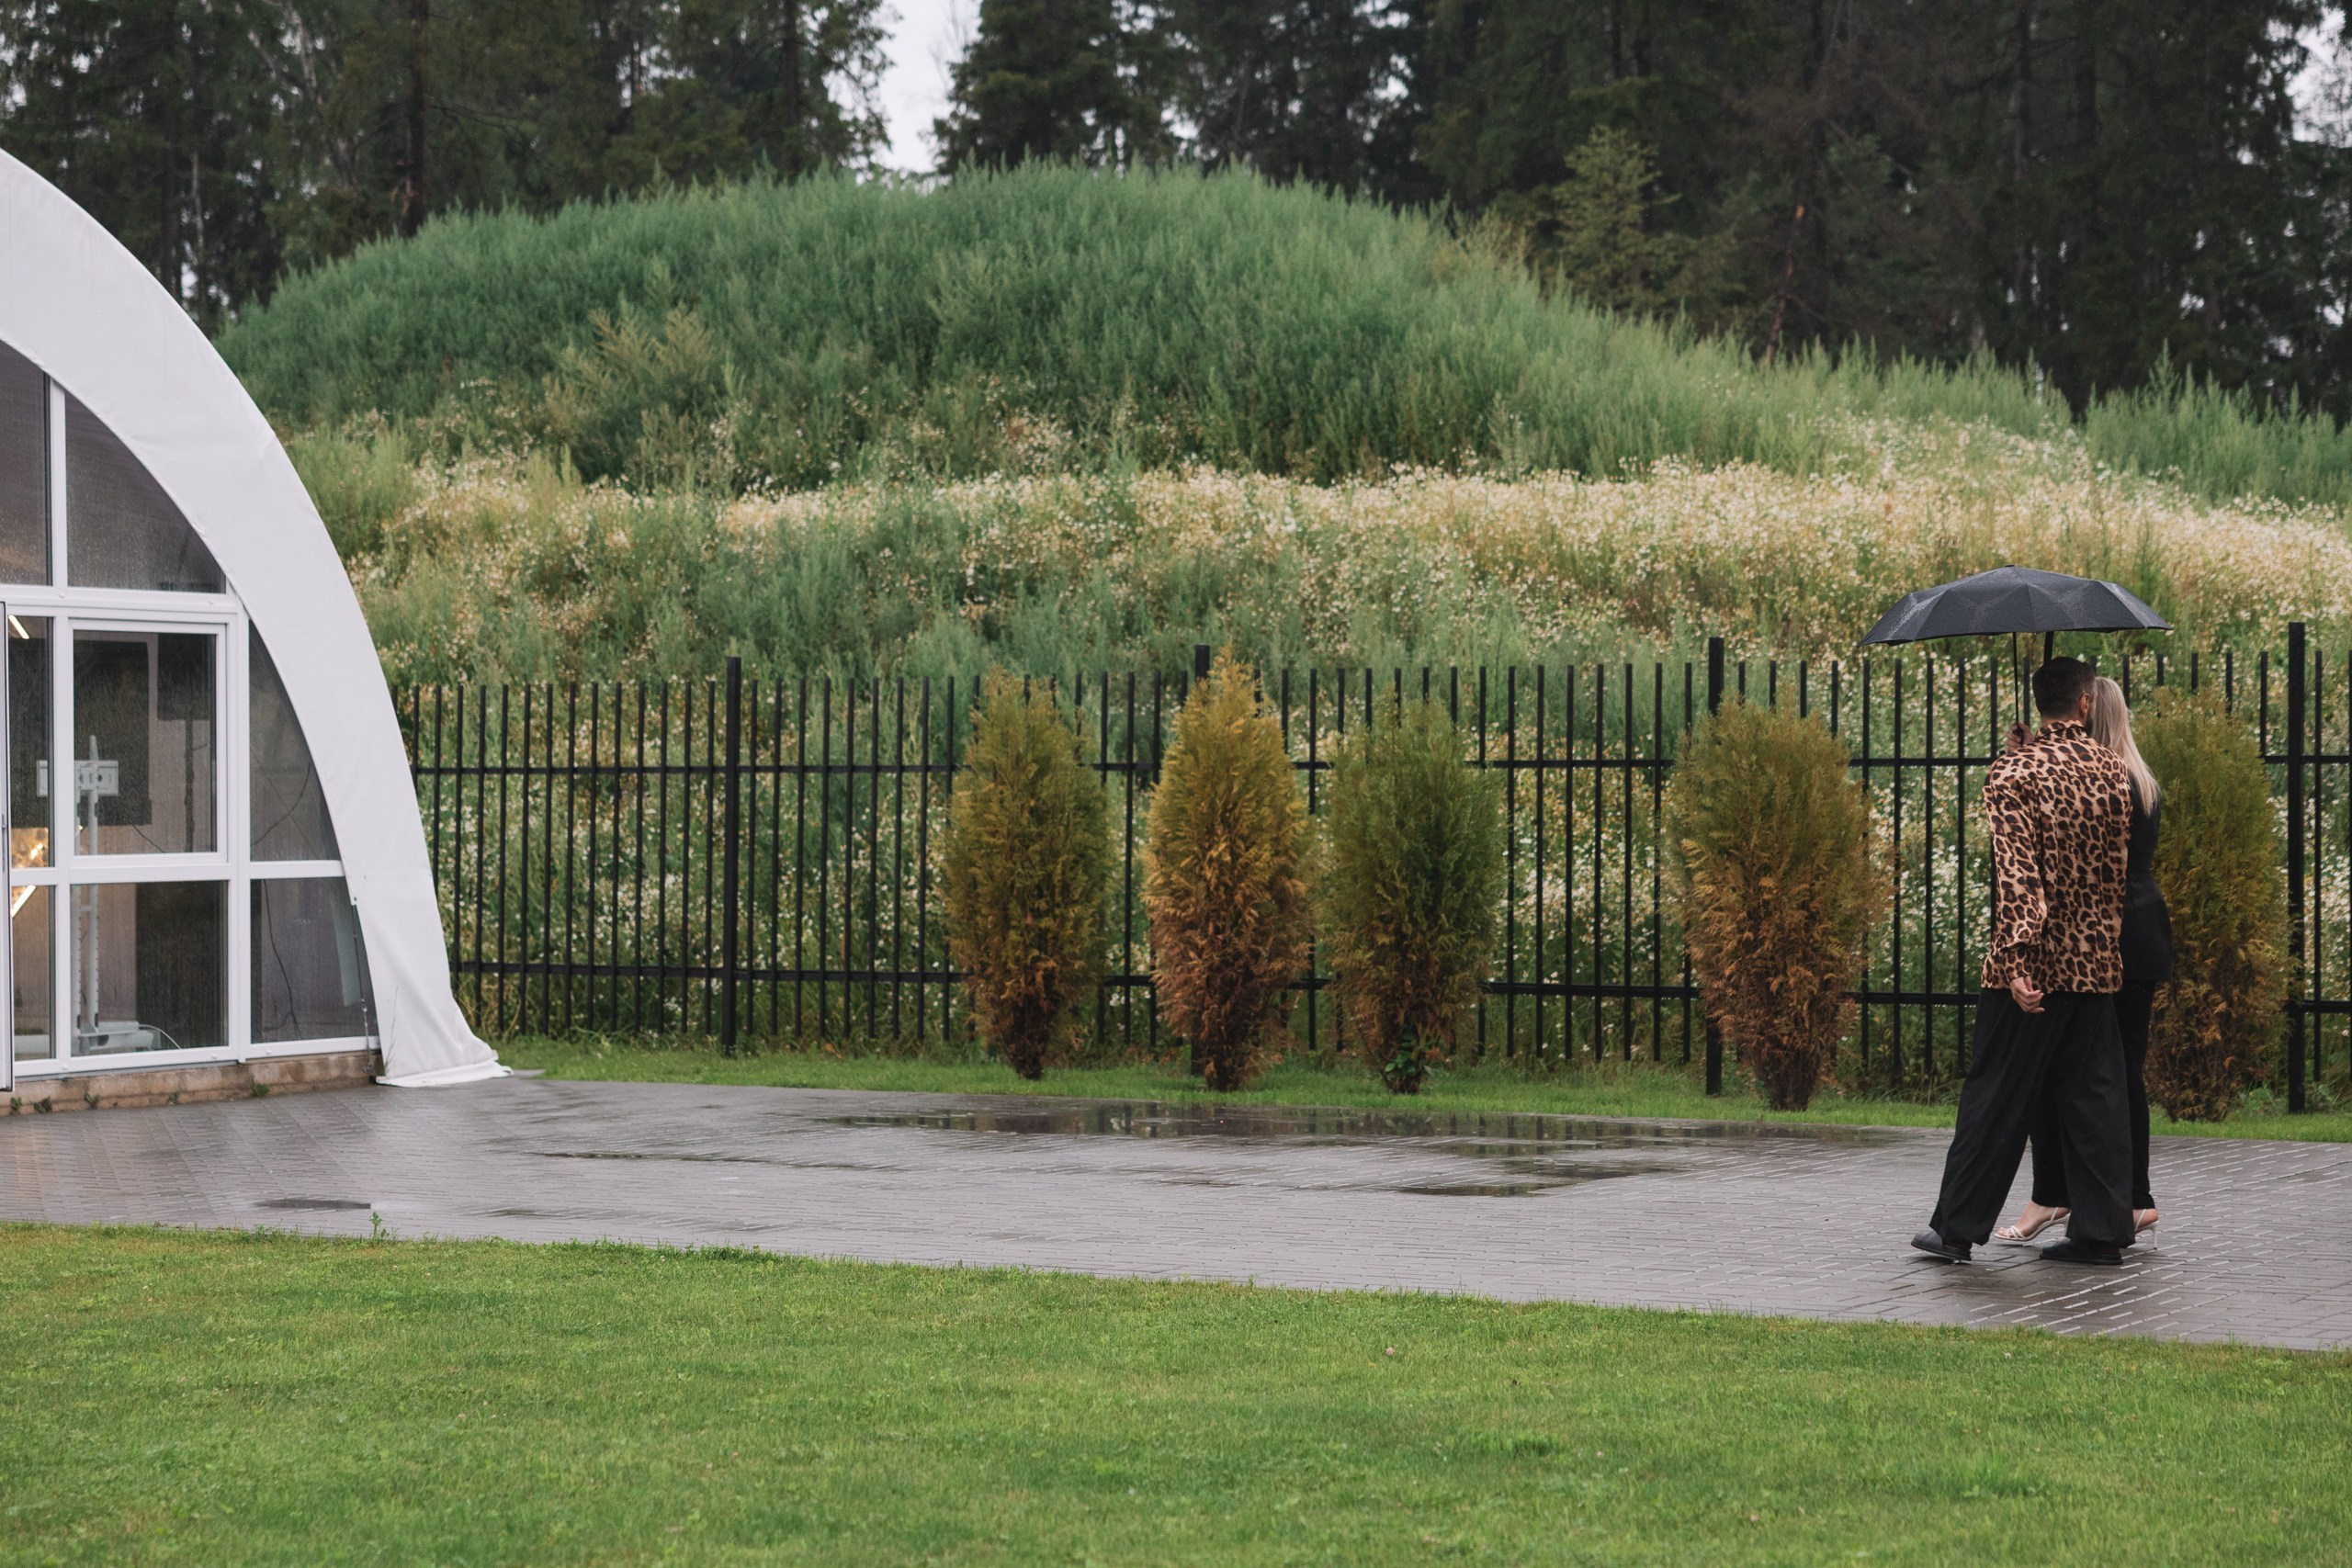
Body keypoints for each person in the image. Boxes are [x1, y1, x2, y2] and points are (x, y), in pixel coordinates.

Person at [1912, 656, 2137, 1266]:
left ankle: (1956, 1228)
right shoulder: (2113, 771)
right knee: (2095, 1100)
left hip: (2036, 968)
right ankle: (2102, 1231)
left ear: (2042, 703)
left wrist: (2014, 960)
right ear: (2086, 703)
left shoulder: (2015, 772)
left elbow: (2021, 877)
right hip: (2094, 964)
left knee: (1995, 1098)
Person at [1995, 675, 2172, 1243]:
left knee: (2099, 1074)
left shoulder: (2112, 781)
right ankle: (2099, 1199)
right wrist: (2026, 759)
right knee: (2111, 1073)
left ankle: (2094, 1198)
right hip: (2135, 930)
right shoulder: (2134, 780)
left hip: (2103, 938)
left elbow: (2059, 848)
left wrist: (2025, 764)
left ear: (2089, 711)